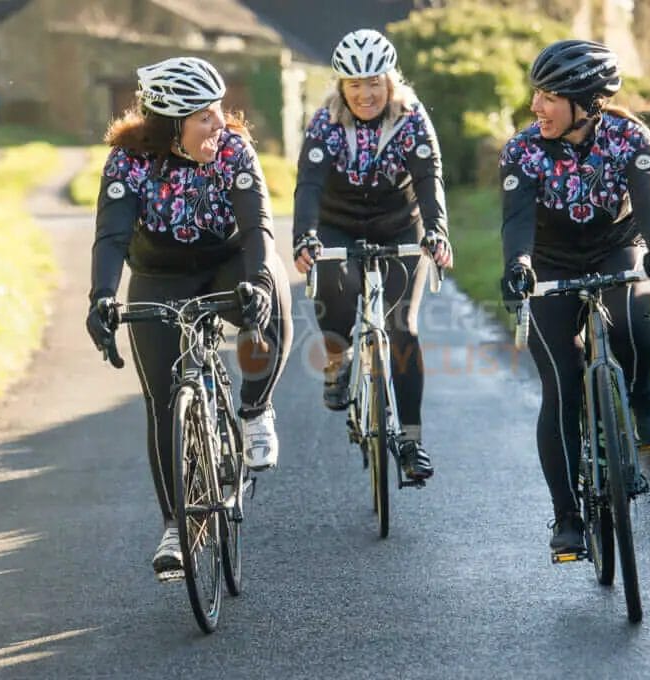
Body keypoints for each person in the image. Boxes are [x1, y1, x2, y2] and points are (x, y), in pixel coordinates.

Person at [85, 56, 293, 574]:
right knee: (162, 402)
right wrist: (101, 298)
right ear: (171, 124)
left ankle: (254, 410)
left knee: (271, 290)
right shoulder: (127, 162)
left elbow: (258, 229)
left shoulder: (233, 150)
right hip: (160, 273)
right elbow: (111, 237)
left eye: (218, 109)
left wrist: (258, 283)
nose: (220, 122)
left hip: (228, 263)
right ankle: (177, 526)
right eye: (204, 115)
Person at [498, 40, 650, 553]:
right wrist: (518, 267)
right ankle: (566, 517)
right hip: (550, 262)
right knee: (560, 384)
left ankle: (641, 391)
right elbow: (516, 224)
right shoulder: (521, 151)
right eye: (537, 94)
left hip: (616, 247)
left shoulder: (631, 138)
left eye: (549, 97)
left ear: (584, 102)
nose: (536, 106)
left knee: (631, 325)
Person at [291, 28, 452, 482]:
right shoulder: (325, 122)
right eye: (355, 84)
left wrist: (437, 231)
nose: (366, 94)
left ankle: (412, 442)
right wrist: (305, 237)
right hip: (337, 224)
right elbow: (309, 185)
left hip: (399, 224)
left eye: (374, 83)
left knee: (402, 328)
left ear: (390, 81)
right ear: (342, 86)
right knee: (335, 290)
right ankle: (337, 360)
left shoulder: (411, 118)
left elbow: (429, 178)